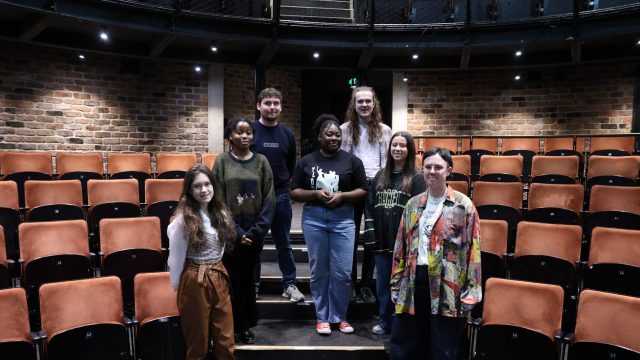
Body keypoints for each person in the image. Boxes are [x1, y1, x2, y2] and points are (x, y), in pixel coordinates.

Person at [390, 147, 482, 360]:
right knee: (406, 345)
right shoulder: (413, 205)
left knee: (442, 348)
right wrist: (396, 283)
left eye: (438, 167)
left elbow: (473, 249)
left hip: (447, 285)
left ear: (448, 170)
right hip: (413, 282)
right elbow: (400, 247)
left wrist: (473, 289)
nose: (432, 171)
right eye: (428, 166)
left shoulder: (463, 205)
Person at [290, 114, 368, 335]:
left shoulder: (352, 161)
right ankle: (322, 317)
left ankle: (339, 317)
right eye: (329, 134)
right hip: (314, 218)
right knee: (319, 270)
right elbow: (294, 190)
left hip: (343, 219)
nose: (334, 137)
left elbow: (363, 189)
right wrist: (315, 193)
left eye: (337, 134)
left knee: (342, 272)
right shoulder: (307, 161)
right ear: (319, 136)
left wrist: (342, 196)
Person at [213, 118, 275, 345]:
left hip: (255, 233)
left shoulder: (262, 162)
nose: (245, 136)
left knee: (249, 281)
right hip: (230, 233)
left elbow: (269, 198)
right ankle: (231, 326)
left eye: (249, 132)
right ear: (230, 136)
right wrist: (238, 232)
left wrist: (256, 231)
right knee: (232, 282)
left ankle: (246, 325)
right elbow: (217, 199)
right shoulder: (221, 162)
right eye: (239, 132)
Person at [167, 164, 236, 360]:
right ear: (189, 190)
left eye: (207, 184)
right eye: (197, 186)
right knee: (198, 343)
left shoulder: (220, 212)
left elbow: (221, 249)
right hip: (195, 278)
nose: (204, 190)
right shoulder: (183, 221)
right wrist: (179, 287)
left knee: (225, 338)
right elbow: (176, 258)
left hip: (218, 274)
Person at [363, 131, 426, 335]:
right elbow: (369, 205)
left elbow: (420, 211)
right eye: (394, 145)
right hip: (381, 241)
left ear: (409, 150)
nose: (397, 149)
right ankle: (384, 322)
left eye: (402, 145)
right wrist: (370, 231)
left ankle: (401, 324)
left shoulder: (416, 178)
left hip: (405, 243)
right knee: (382, 286)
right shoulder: (381, 175)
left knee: (403, 285)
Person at [251, 87, 304, 302]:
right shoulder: (251, 130)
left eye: (276, 103)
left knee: (284, 243)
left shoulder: (287, 134)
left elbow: (291, 164)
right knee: (255, 243)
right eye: (268, 103)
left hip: (281, 195)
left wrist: (284, 185)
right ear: (259, 106)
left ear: (280, 107)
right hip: (255, 197)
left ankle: (289, 285)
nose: (272, 107)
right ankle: (252, 286)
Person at [341, 86, 392, 303]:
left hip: (376, 186)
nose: (364, 105)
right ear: (354, 104)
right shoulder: (344, 129)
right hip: (352, 187)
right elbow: (341, 160)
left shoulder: (385, 130)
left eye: (368, 101)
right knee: (350, 238)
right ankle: (351, 283)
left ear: (374, 104)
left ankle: (365, 285)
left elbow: (389, 161)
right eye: (360, 101)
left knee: (372, 238)